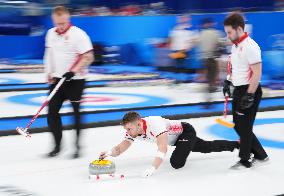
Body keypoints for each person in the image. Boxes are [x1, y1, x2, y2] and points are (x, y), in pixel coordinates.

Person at [99, 111, 239, 177]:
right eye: (126, 129)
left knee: (176, 162)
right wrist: (109, 153)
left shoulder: (155, 124)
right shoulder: (133, 131)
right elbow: (121, 147)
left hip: (186, 132)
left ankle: (237, 144)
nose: (127, 132)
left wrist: (153, 168)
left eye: (129, 128)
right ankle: (237, 144)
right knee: (207, 147)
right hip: (177, 139)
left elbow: (162, 148)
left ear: (139, 123)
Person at [44, 6, 94, 158]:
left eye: (63, 23)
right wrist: (48, 72)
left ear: (68, 19)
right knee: (52, 112)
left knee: (75, 112)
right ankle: (57, 146)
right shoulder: (50, 34)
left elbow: (89, 57)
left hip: (76, 80)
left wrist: (73, 71)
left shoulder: (78, 34)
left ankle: (77, 147)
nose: (60, 26)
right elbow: (49, 54)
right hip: (57, 79)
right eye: (57, 23)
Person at [223, 12, 269, 170]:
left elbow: (257, 73)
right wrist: (228, 81)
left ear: (239, 29)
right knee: (238, 125)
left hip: (250, 90)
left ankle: (245, 160)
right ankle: (261, 154)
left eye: (229, 32)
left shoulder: (251, 46)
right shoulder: (236, 46)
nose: (227, 36)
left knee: (245, 127)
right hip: (239, 89)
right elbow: (234, 67)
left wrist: (249, 95)